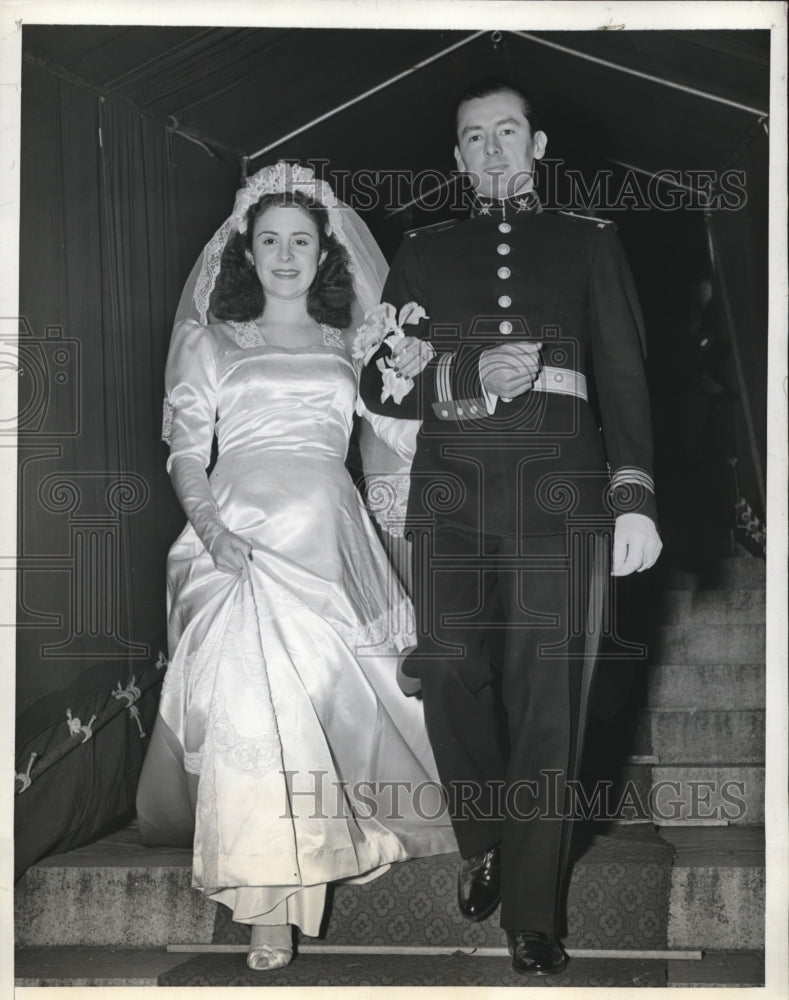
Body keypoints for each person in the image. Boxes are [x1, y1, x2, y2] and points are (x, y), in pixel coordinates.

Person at [358, 78, 662, 975]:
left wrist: (634, 496)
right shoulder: (419, 251)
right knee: (449, 670)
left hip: (561, 503)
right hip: (449, 500)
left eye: (506, 133)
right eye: (472, 138)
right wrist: (467, 374)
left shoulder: (589, 243)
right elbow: (379, 383)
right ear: (456, 158)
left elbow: (627, 380)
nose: (490, 150)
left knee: (546, 703)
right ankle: (485, 830)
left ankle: (532, 909)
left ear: (536, 146)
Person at [135, 162, 455, 972]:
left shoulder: (352, 341)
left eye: (300, 241)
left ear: (323, 255)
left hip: (330, 536)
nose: (285, 255)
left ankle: (334, 839)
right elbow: (184, 450)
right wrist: (209, 528)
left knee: (325, 703)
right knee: (251, 707)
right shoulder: (210, 342)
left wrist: (412, 370)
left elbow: (402, 436)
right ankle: (269, 904)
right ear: (247, 252)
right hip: (238, 537)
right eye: (269, 241)